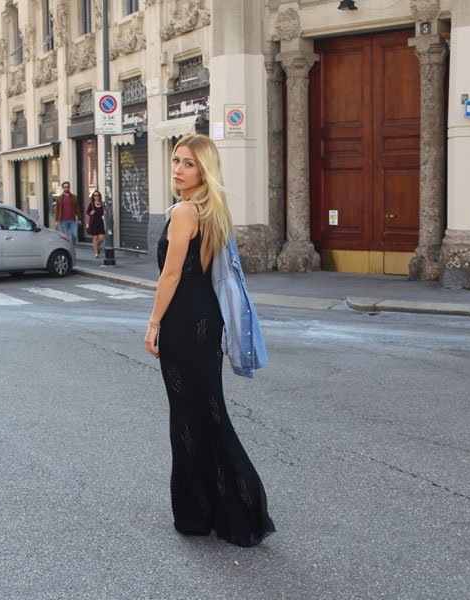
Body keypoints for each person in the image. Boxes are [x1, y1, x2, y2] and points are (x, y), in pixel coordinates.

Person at [144, 134, 275, 548]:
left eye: (188, 164)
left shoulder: (184, 211)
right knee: (208, 413)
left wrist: (152, 324)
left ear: (204, 170)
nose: (178, 169)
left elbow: (170, 274)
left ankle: (204, 512)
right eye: (177, 161)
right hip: (207, 321)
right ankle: (225, 507)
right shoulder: (212, 210)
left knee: (187, 416)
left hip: (184, 322)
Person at [85, 189, 106, 258]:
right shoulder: (91, 204)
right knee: (95, 238)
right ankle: (96, 253)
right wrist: (90, 213)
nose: (96, 197)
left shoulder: (103, 203)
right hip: (93, 222)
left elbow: (106, 211)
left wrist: (105, 213)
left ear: (100, 196)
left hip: (100, 222)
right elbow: (87, 212)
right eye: (95, 195)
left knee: (101, 238)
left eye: (98, 195)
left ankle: (96, 247)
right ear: (93, 197)